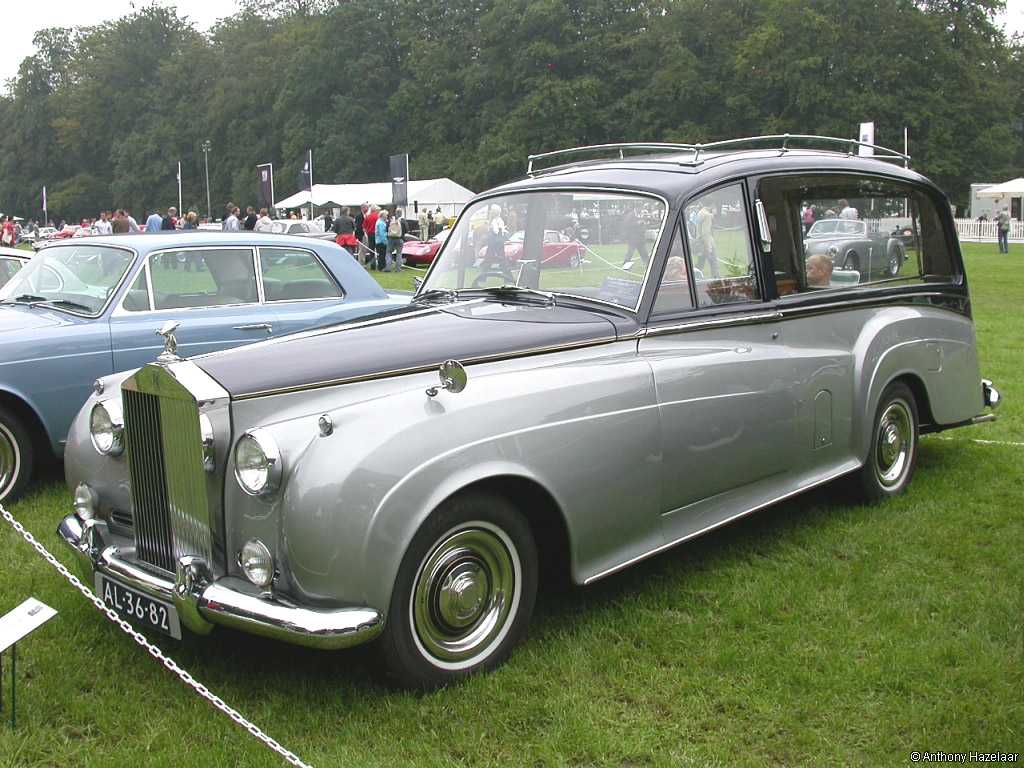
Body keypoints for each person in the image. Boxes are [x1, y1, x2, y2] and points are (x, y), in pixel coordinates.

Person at [387, 207, 405, 271]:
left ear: (395, 212)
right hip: (399, 238)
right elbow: (406, 230)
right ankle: (398, 268)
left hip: (391, 238)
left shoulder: (391, 219)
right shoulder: (403, 221)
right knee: (399, 253)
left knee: (389, 252)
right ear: (401, 213)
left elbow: (387, 228)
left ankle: (388, 267)